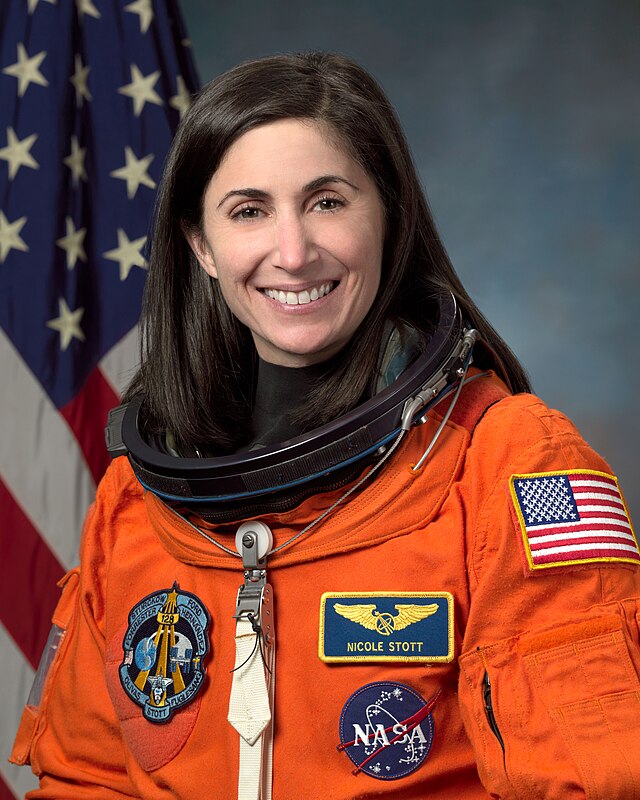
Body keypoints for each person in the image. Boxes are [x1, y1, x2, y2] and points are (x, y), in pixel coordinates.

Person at [11, 51, 640, 800]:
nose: (293, 252)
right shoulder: (134, 503)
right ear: (202, 247)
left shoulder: (511, 462)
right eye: (249, 211)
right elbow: (86, 781)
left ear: (390, 216)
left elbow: (592, 780)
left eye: (328, 202)